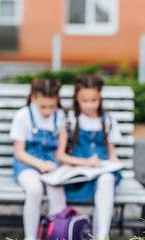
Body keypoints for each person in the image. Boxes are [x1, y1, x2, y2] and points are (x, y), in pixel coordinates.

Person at [56, 75, 122, 240]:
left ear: (100, 98)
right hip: (80, 177)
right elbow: (60, 155)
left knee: (106, 179)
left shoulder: (108, 120)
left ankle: (101, 236)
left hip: (102, 173)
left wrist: (114, 161)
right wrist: (86, 163)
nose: (90, 105)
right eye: (85, 100)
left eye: (94, 100)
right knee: (104, 181)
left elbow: (112, 154)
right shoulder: (70, 120)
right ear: (77, 100)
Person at [9, 78, 67, 240]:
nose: (48, 111)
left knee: (57, 191)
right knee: (35, 190)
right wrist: (40, 164)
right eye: (43, 106)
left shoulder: (60, 116)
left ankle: (56, 235)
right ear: (33, 99)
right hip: (27, 164)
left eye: (52, 106)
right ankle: (31, 237)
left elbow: (60, 150)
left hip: (52, 164)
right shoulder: (23, 116)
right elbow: (19, 152)